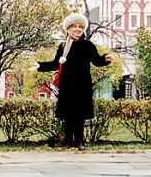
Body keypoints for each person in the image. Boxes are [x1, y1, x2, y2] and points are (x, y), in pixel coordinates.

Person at [36, 13, 114, 150]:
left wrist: (105, 59)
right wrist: (39, 66)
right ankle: (67, 141)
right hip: (67, 85)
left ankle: (79, 141)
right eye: (74, 26)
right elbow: (55, 64)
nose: (77, 29)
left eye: (80, 27)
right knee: (68, 114)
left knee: (80, 114)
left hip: (82, 84)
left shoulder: (88, 45)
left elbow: (96, 61)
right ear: (68, 29)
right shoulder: (63, 46)